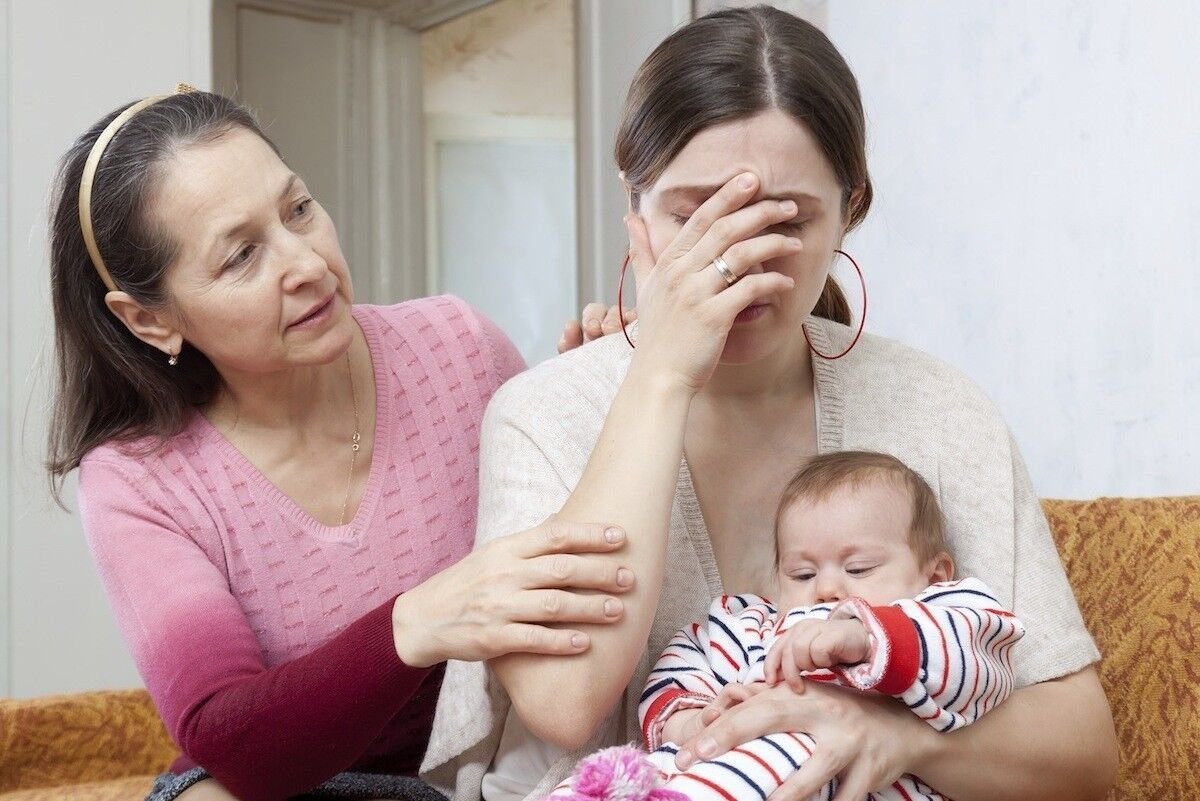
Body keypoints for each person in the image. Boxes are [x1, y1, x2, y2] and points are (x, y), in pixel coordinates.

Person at [421, 6, 1117, 801]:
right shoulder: (543, 410)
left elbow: (1084, 750)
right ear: (636, 207)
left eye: (784, 219)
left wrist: (893, 735)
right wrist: (660, 376)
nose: (740, 257)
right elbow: (566, 701)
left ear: (851, 208)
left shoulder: (936, 407)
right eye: (695, 215)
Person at [47, 87, 633, 801]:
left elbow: (584, 569)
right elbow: (230, 739)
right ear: (148, 320)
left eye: (298, 209)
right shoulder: (140, 479)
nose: (308, 263)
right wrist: (419, 620)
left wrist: (606, 401)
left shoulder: (459, 346)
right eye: (241, 256)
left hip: (489, 771)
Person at [547, 450, 1024, 801]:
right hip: (701, 761)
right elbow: (677, 672)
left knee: (779, 759)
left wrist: (867, 636)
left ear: (933, 574)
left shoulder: (944, 613)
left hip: (842, 776)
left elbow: (979, 665)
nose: (828, 589)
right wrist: (697, 717)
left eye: (858, 570)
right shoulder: (748, 625)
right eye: (802, 574)